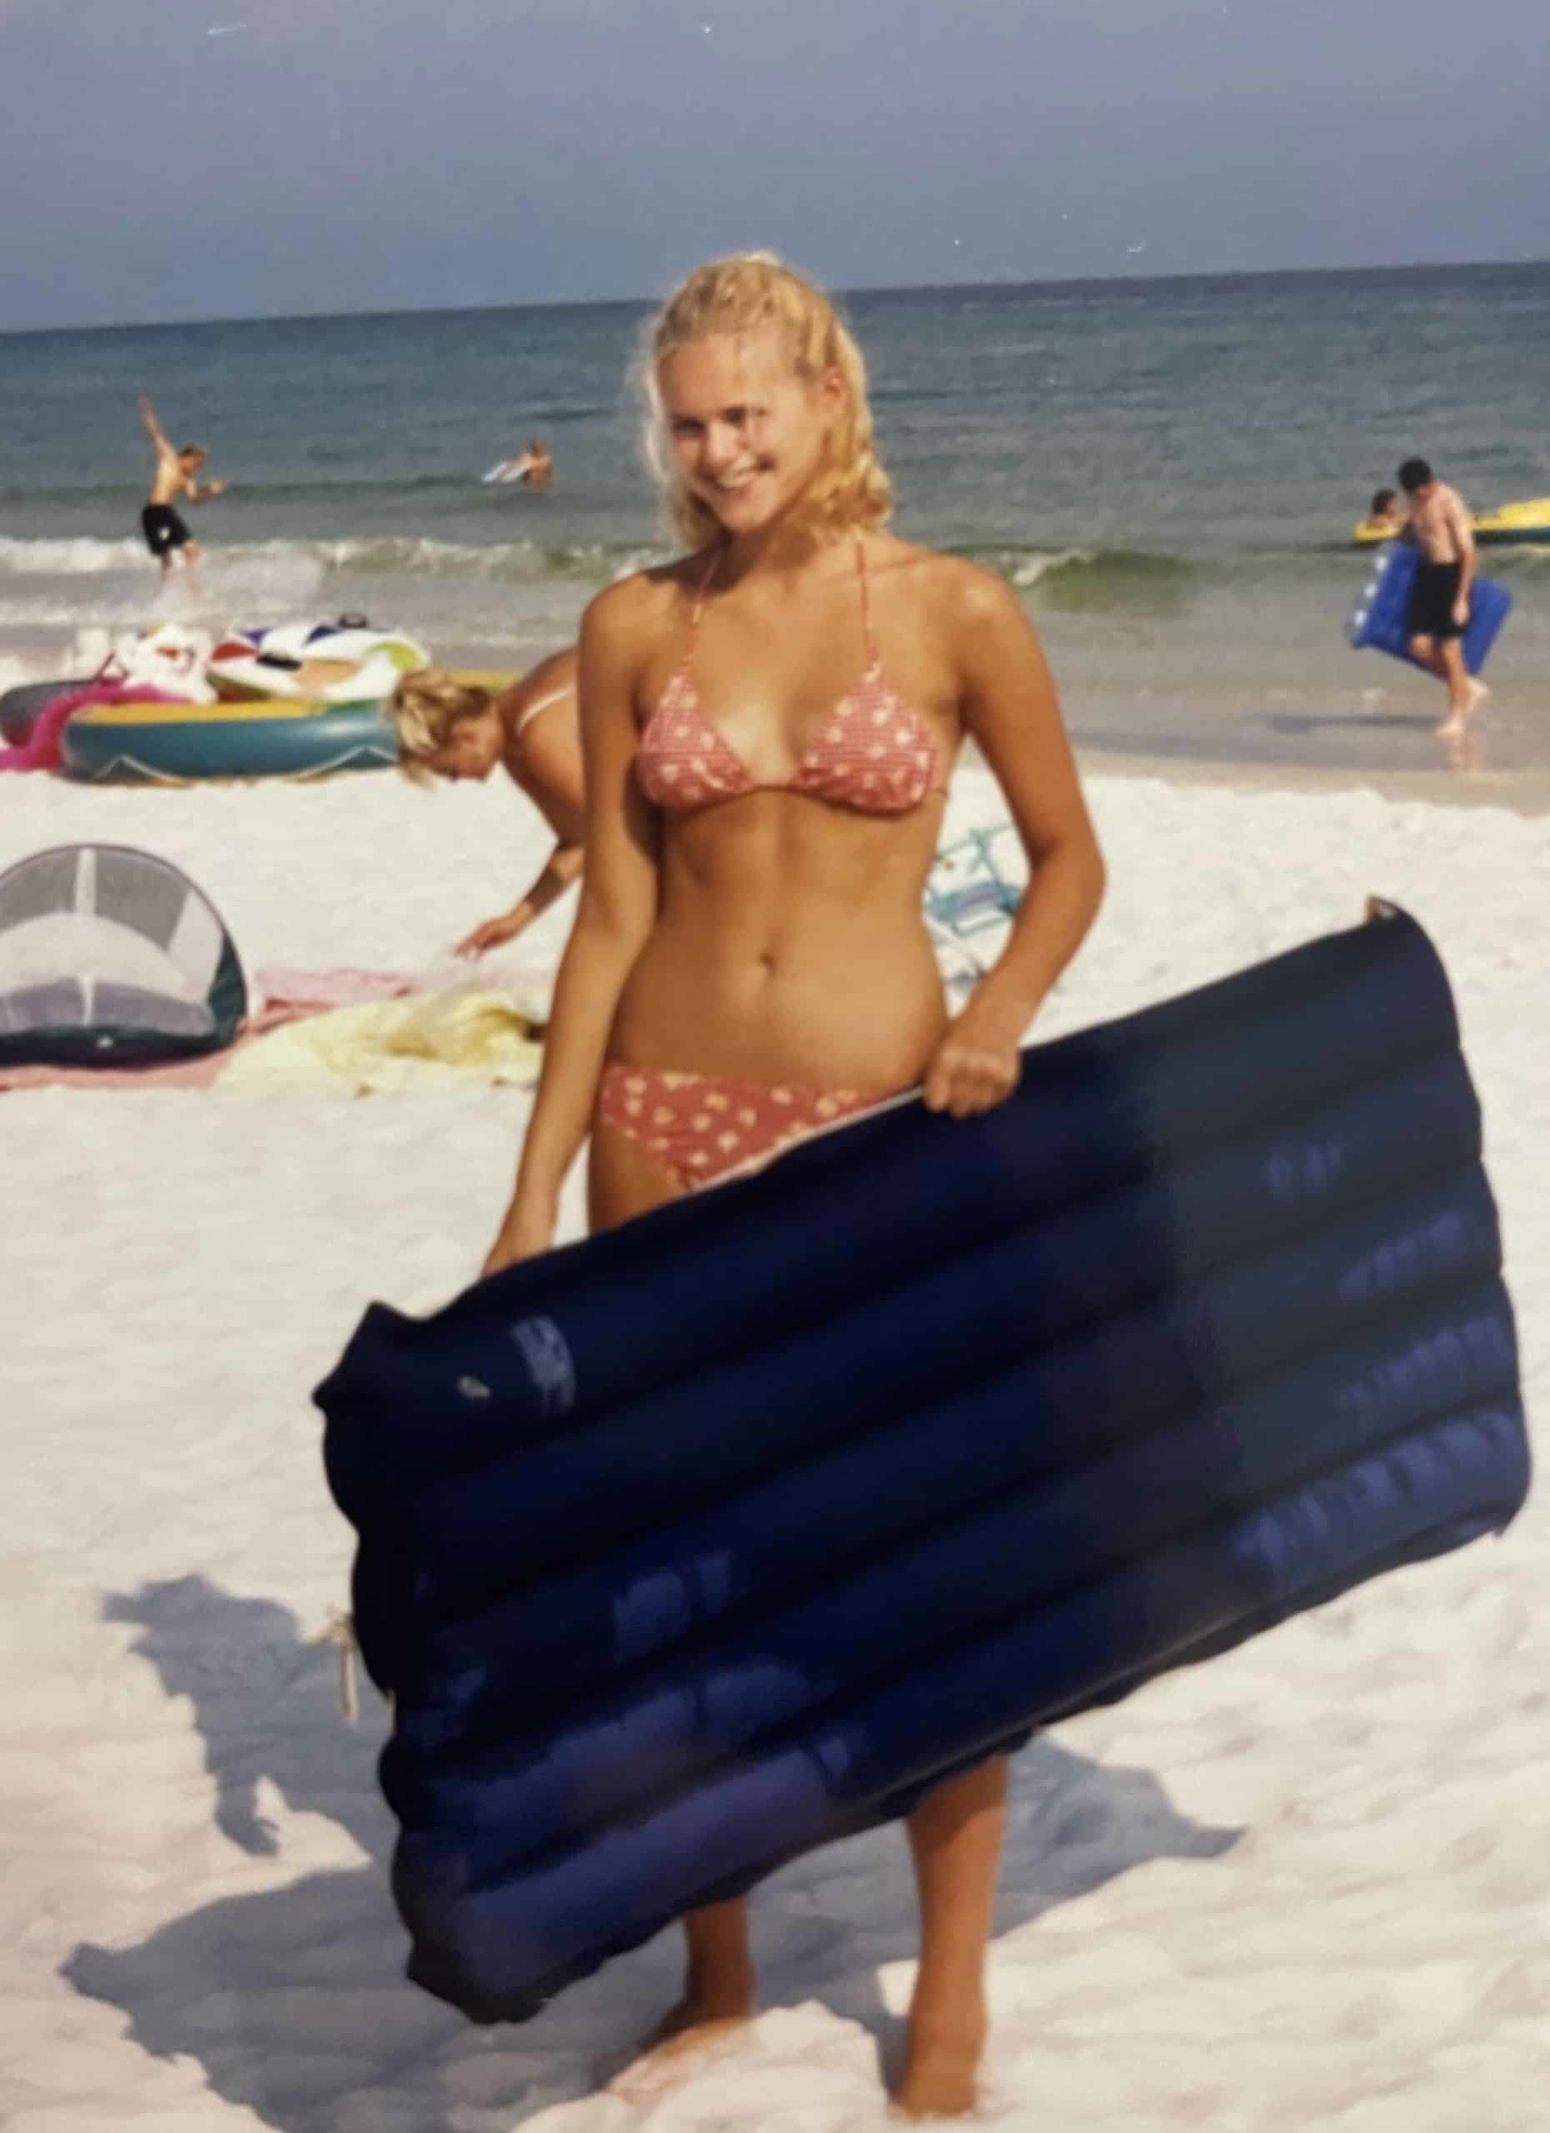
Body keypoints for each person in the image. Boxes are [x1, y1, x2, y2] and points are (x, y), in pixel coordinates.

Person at [483, 253, 1106, 2117]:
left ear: (831, 400)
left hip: (885, 1132)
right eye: (689, 421)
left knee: (937, 1557)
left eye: (751, 410)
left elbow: (1069, 860)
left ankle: (951, 2007)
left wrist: (998, 1012)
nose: (720, 448)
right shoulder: (623, 627)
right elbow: (611, 920)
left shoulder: (955, 610)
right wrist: (529, 1193)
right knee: (685, 1569)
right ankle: (721, 1968)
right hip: (658, 1122)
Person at [386, 648, 583, 955]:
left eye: (449, 769)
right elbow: (581, 839)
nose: (454, 780)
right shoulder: (518, 746)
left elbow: (619, 833)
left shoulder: (539, 734)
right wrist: (518, 919)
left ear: (464, 737)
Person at [1397, 456, 1488, 737]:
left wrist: (1461, 599)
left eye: (1417, 493)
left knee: (1450, 650)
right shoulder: (1415, 501)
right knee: (1418, 646)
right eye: (1410, 495)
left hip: (1451, 576)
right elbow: (1414, 530)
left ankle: (1457, 716)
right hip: (1427, 575)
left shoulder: (1449, 502)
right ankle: (1468, 687)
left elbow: (1469, 553)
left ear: (1427, 485)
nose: (1414, 498)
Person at [136, 397, 225, 574]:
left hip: (164, 512)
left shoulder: (187, 479)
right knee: (167, 556)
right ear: (188, 457)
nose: (196, 469)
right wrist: (147, 413)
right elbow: (156, 435)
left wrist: (210, 491)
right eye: (196, 464)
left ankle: (185, 588)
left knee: (188, 552)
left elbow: (194, 499)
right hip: (156, 511)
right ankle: (177, 590)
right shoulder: (169, 458)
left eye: (199, 467)